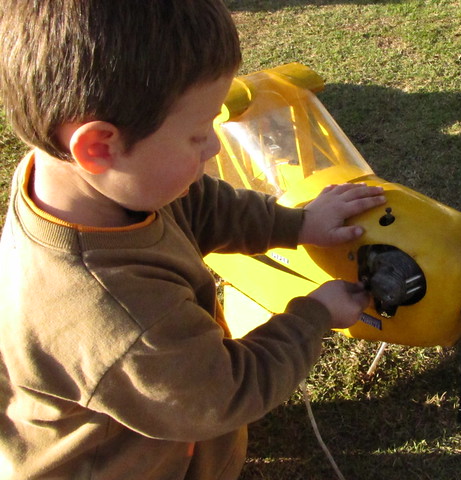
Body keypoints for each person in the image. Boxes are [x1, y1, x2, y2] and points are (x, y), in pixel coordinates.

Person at [0, 1, 386, 478]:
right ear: (99, 146)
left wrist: (296, 224)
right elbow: (224, 393)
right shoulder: (119, 315)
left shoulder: (80, 180)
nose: (215, 147)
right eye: (198, 134)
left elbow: (196, 204)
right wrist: (315, 315)